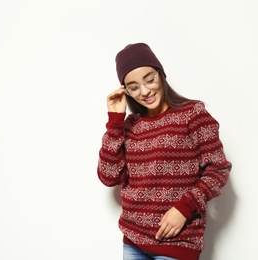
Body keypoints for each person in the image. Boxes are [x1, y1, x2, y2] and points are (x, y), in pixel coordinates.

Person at [97, 43, 232, 260]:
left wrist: (184, 208)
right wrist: (115, 122)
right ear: (126, 91)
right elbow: (109, 176)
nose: (145, 91)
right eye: (133, 87)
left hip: (179, 241)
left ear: (160, 75)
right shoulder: (130, 125)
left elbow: (218, 169)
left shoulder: (193, 114)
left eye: (149, 79)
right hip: (133, 241)